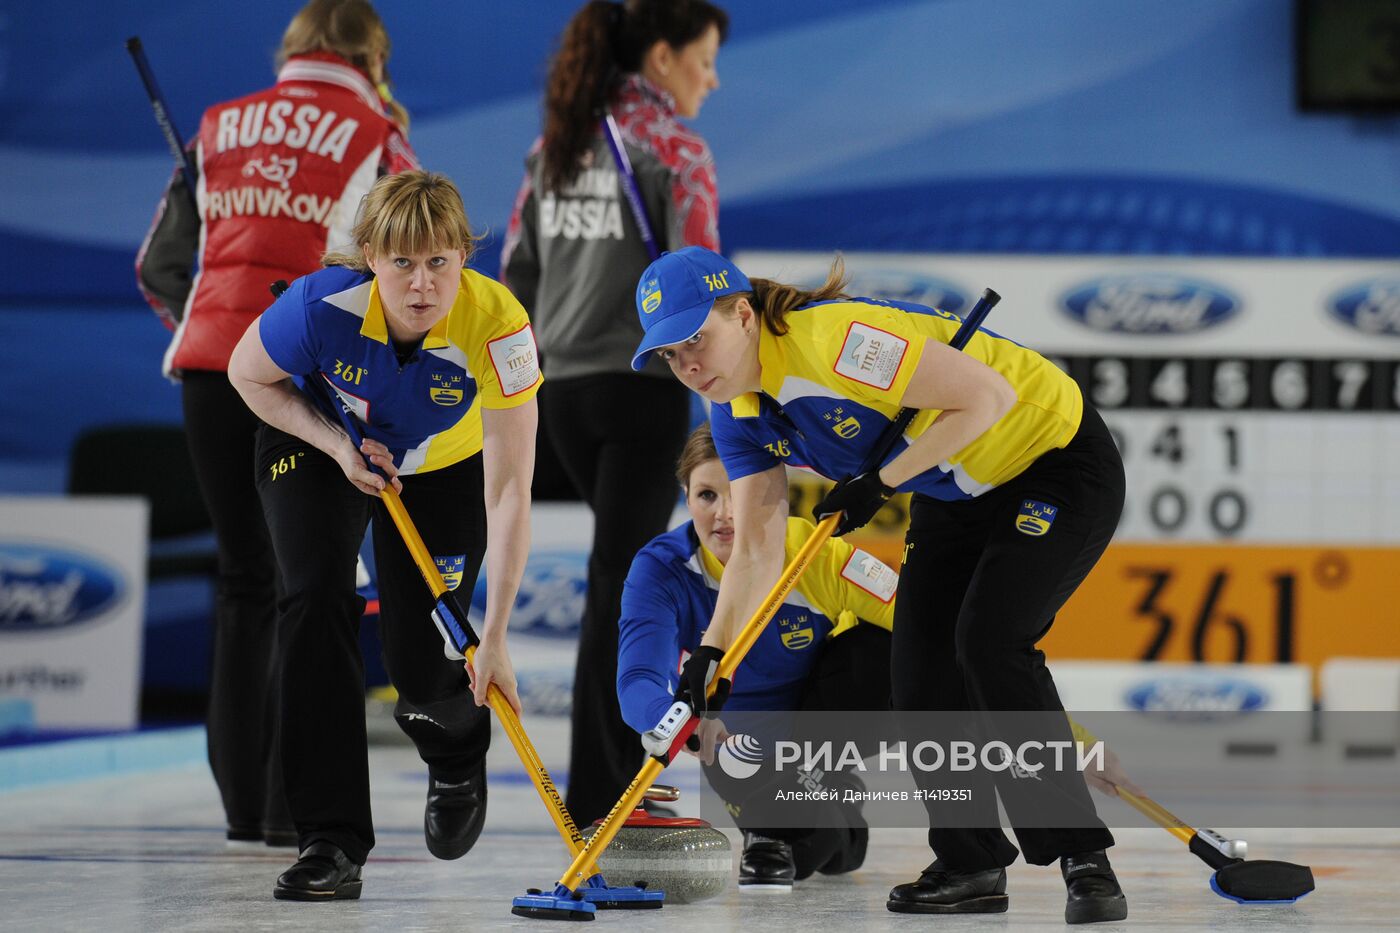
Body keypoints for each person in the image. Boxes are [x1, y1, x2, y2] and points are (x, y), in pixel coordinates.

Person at [629, 246, 1131, 925]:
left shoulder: (835, 342)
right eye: (670, 354)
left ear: (742, 314)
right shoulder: (735, 412)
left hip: (1052, 459)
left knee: (988, 641)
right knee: (919, 663)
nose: (688, 364)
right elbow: (755, 548)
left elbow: (988, 397)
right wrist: (714, 655)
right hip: (956, 490)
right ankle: (971, 861)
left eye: (696, 339)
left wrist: (883, 482)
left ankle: (1083, 858)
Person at [135, 0, 416, 849]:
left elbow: (158, 266)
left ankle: (245, 808)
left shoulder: (220, 125)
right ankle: (299, 809)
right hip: (310, 378)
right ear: (370, 55)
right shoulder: (375, 131)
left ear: (293, 49)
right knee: (310, 586)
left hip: (213, 365)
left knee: (242, 580)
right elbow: (406, 274)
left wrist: (205, 324)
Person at [227, 170, 540, 900]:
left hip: (444, 465)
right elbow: (250, 375)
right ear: (369, 256)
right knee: (313, 597)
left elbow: (511, 486)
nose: (422, 284)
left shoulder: (500, 327)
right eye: (402, 261)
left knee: (425, 653)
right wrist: (337, 446)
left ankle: (457, 750)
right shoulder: (317, 305)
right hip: (319, 441)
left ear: (465, 254)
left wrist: (493, 635)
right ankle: (330, 839)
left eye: (439, 261)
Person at [500, 0, 729, 826]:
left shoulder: (552, 145)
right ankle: (605, 794)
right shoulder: (676, 149)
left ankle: (609, 784)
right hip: (640, 387)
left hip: (561, 393)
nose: (712, 76)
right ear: (663, 59)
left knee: (613, 580)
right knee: (622, 583)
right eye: (704, 59)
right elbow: (699, 277)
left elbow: (515, 277)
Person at [617, 423, 894, 889]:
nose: (724, 515)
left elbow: (922, 629)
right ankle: (813, 813)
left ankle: (820, 785)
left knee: (879, 649)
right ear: (686, 497)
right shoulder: (661, 569)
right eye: (707, 495)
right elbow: (638, 680)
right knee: (813, 854)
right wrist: (680, 724)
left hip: (822, 719)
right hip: (738, 743)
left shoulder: (816, 553)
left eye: (739, 493)